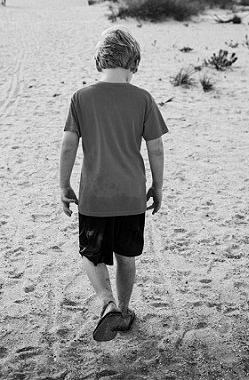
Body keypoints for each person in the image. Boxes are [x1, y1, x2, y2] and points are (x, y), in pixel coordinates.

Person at [58, 26, 168, 342]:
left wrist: (63, 185)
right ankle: (124, 308)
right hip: (131, 196)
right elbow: (156, 147)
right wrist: (157, 186)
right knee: (125, 256)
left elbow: (68, 145)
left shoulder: (81, 98)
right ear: (134, 63)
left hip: (95, 196)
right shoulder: (143, 99)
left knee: (91, 254)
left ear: (99, 62)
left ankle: (107, 303)